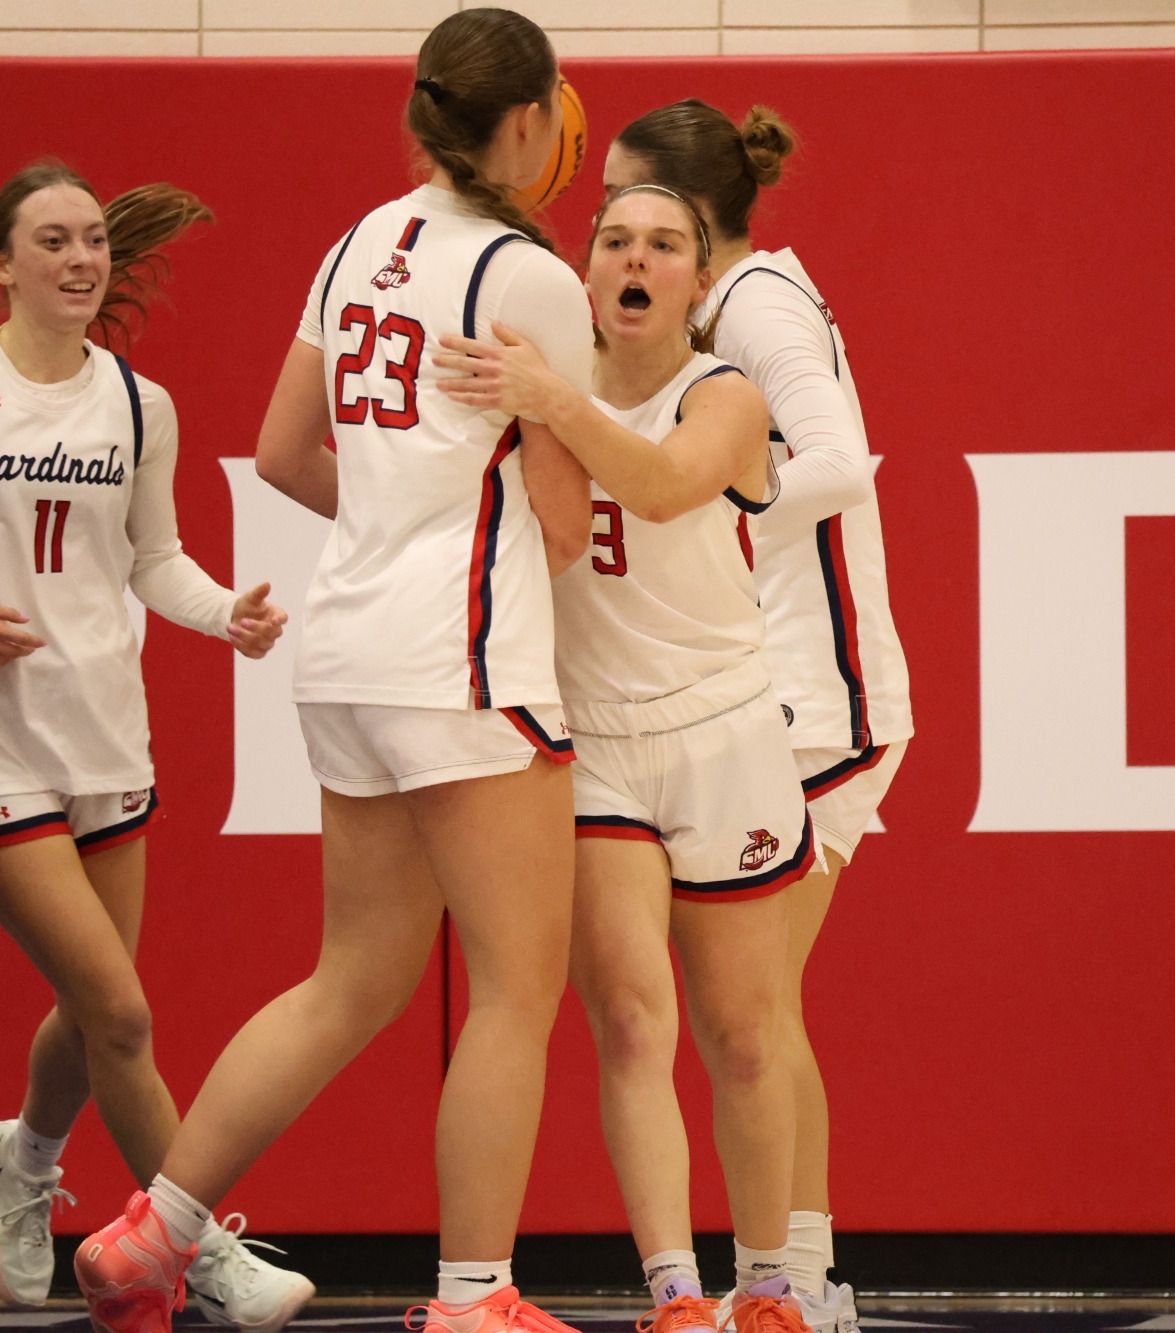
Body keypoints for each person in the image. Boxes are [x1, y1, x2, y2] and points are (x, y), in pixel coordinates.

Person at [73, 10, 594, 1333]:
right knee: (518, 988)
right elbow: (564, 509)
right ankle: (477, 1299)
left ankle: (153, 1232)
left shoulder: (360, 239)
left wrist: (396, 515)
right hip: (466, 659)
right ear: (528, 124)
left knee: (351, 977)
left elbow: (285, 449)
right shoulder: (531, 276)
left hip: (350, 642)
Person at [0, 160, 304, 1327]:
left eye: (93, 241)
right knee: (121, 1010)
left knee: (88, 1000)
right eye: (50, 241)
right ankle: (193, 1247)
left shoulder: (138, 402)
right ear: (0, 262)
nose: (78, 260)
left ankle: (22, 1161)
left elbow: (152, 560)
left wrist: (229, 618)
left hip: (105, 732)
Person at [433, 183, 814, 1333]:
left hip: (724, 733)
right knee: (634, 1023)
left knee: (744, 1033)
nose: (635, 259)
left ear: (698, 282)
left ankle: (767, 1285)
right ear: (582, 273)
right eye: (613, 241)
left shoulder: (727, 394)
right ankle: (675, 1293)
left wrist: (549, 398)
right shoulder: (530, 388)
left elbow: (656, 488)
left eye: (663, 245)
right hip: (591, 739)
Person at [603, 102, 915, 1330]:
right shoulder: (720, 311)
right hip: (761, 689)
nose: (622, 245)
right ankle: (802, 1275)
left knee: (751, 1017)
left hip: (810, 696)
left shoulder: (753, 309)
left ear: (687, 216)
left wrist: (702, 511)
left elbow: (839, 462)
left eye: (639, 213)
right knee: (754, 1015)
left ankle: (801, 1286)